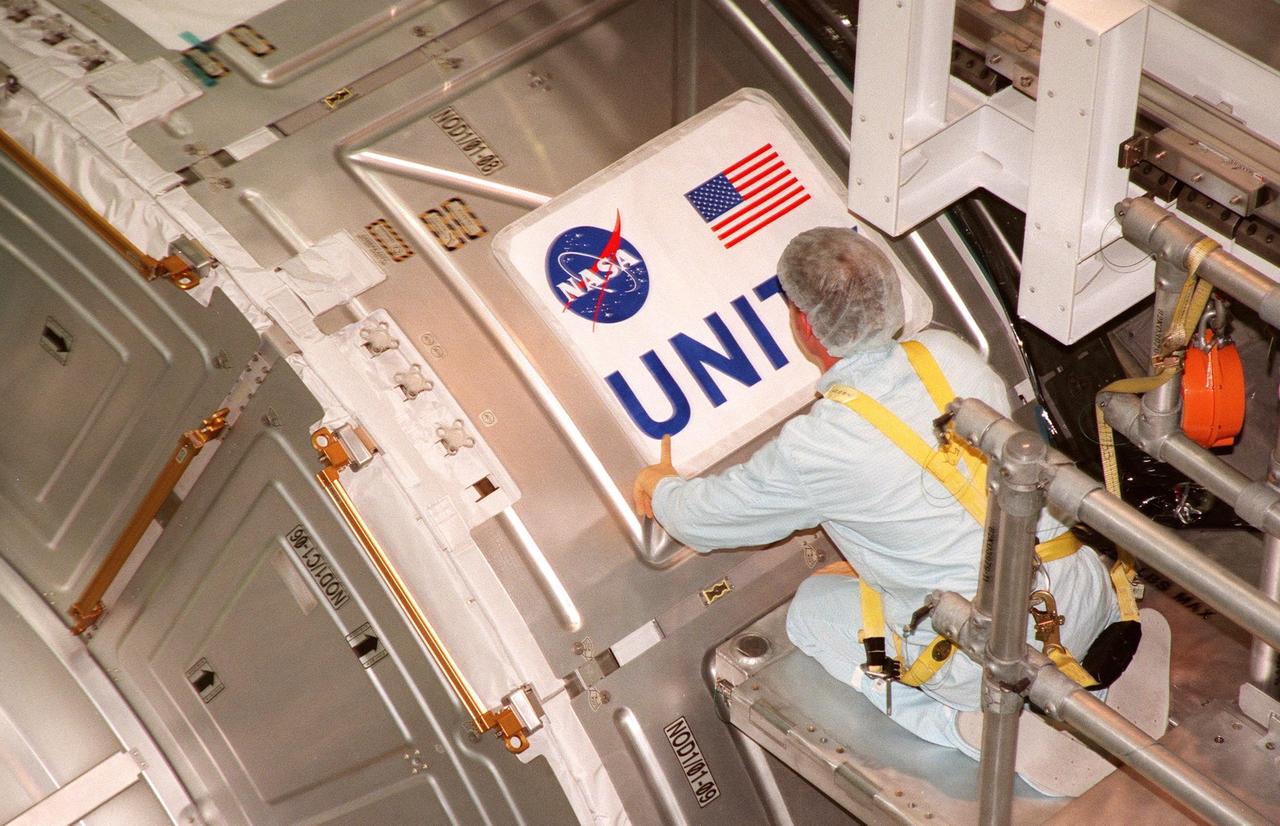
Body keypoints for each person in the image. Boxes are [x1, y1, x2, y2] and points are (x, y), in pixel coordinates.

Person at [633, 227, 1119, 761]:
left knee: (813, 609)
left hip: (997, 663)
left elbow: (705, 521)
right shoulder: (945, 352)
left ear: (807, 325)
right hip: (1080, 598)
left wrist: (659, 488)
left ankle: (959, 728)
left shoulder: (820, 444)